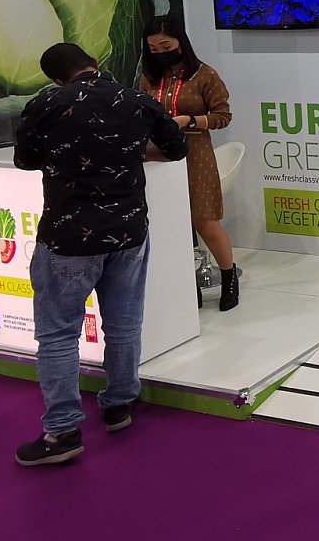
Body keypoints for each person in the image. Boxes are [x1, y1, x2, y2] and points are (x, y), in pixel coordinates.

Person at [12, 42, 187, 466]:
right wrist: (127, 152)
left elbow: (25, 160)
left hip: (67, 237)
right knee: (124, 324)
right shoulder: (136, 99)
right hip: (128, 232)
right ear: (94, 63)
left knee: (58, 334)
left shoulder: (46, 104)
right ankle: (119, 404)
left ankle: (62, 430)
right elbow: (177, 147)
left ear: (56, 77)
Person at [136, 15, 239, 310]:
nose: (160, 53)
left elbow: (223, 116)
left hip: (196, 155)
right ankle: (186, 285)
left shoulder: (205, 75)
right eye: (153, 49)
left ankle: (229, 277)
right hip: (158, 156)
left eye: (166, 46)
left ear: (180, 42)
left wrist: (189, 120)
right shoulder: (149, 78)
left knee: (205, 221)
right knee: (171, 222)